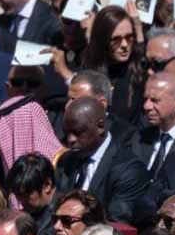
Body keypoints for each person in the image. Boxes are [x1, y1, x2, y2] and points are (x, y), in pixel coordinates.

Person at [56, 96, 150, 225]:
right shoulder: (66, 162)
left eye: (77, 132)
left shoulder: (128, 170)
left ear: (100, 126)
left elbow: (117, 222)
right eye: (67, 133)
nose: (71, 139)